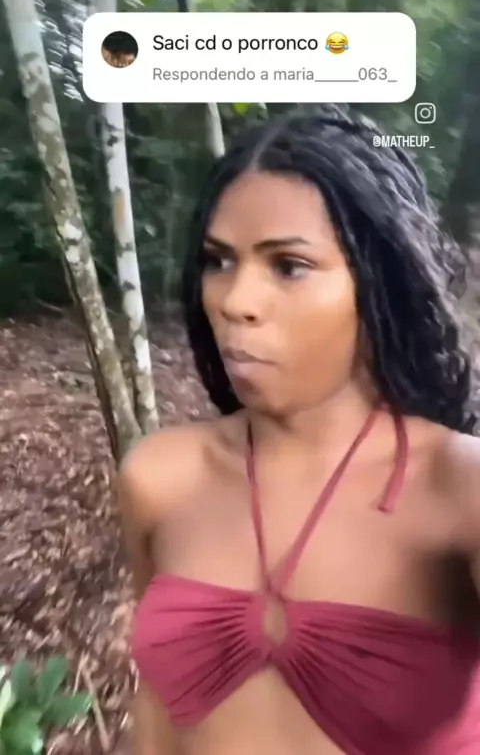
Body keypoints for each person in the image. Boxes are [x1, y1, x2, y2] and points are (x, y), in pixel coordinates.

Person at [116, 112, 480, 755]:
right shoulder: (160, 478)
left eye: (289, 265)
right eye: (218, 261)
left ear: (377, 284)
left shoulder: (460, 492)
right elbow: (157, 707)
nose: (235, 300)